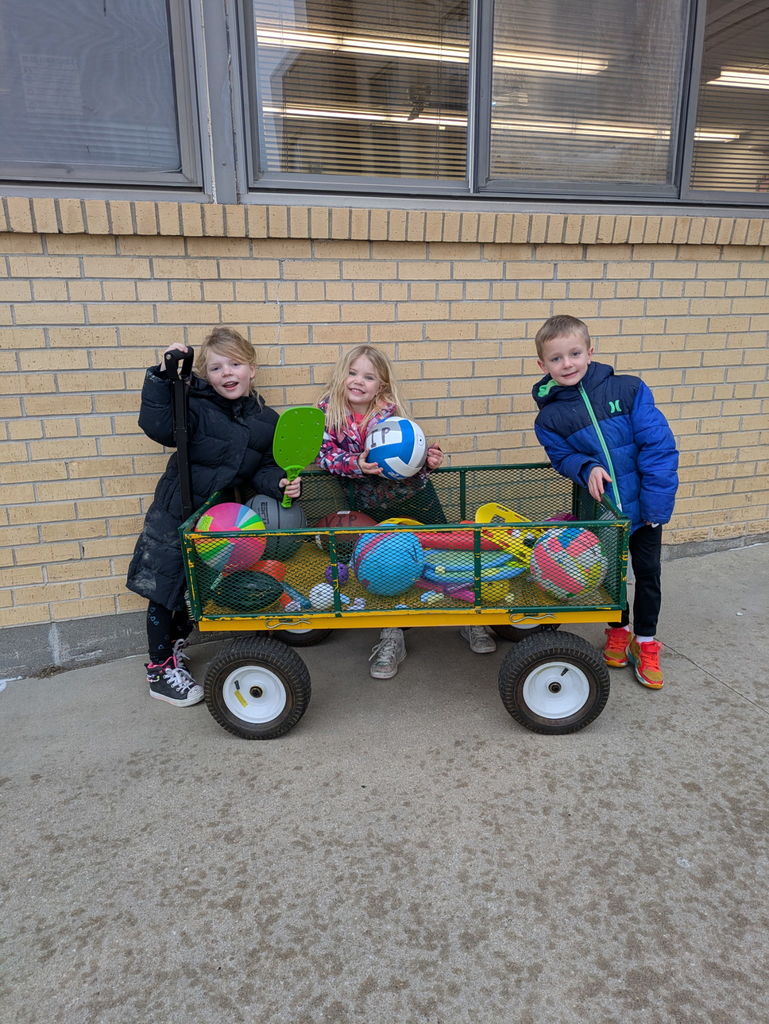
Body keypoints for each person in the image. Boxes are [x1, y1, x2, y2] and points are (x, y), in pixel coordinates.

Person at [126, 327, 301, 708]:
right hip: (176, 512)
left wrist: (281, 483)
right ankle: (160, 670)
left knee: (195, 589)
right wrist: (161, 376)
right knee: (164, 588)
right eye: (217, 367)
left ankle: (175, 647)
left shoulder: (265, 420)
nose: (227, 373)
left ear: (252, 369)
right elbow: (157, 426)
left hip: (218, 521)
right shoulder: (193, 404)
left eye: (235, 364)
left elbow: (263, 469)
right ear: (206, 374)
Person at [316, 344, 497, 680]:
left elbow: (409, 459)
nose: (358, 382)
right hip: (368, 506)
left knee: (447, 554)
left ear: (381, 386)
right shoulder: (328, 414)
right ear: (341, 376)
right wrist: (355, 464)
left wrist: (428, 461)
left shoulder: (390, 414)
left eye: (368, 377)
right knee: (386, 567)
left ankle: (468, 618)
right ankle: (392, 634)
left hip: (415, 497)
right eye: (352, 373)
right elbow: (324, 457)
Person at [531, 315, 679, 689]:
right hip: (602, 515)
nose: (567, 364)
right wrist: (586, 466)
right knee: (610, 580)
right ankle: (619, 629)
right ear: (542, 365)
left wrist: (657, 507)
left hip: (644, 511)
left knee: (647, 576)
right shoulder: (550, 416)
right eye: (556, 358)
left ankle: (645, 642)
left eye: (575, 353)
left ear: (590, 352)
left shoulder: (628, 390)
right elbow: (562, 456)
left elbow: (659, 448)